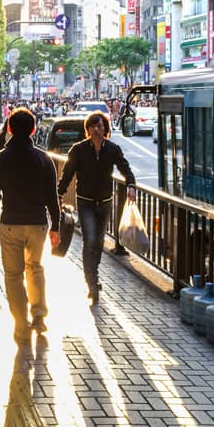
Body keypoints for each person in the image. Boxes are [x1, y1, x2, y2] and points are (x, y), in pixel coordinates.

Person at [0, 108, 60, 344]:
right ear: (34, 129)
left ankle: (20, 320)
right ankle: (39, 315)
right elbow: (53, 195)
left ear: (9, 128)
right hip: (38, 222)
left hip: (10, 222)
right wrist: (55, 226)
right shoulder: (43, 158)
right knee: (35, 268)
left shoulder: (0, 158)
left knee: (13, 274)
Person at [57, 111, 136, 304]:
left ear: (106, 129)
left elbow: (125, 168)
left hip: (105, 202)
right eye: (93, 126)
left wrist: (131, 185)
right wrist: (59, 193)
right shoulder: (78, 149)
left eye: (100, 125)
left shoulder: (113, 149)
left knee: (99, 242)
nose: (96, 129)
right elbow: (67, 173)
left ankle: (94, 273)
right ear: (88, 129)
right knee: (90, 239)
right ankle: (91, 282)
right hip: (85, 201)